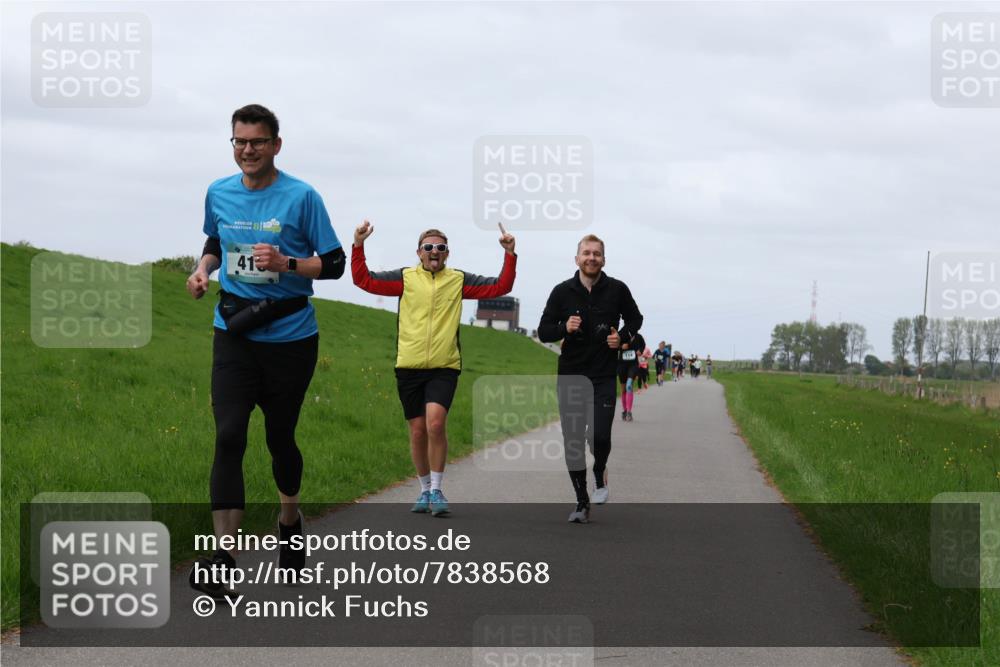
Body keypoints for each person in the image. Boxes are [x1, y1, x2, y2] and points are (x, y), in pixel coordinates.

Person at [185, 104, 346, 597]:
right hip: (233, 332)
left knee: (280, 439)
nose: (247, 150)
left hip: (290, 338)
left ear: (276, 145)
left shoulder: (302, 197)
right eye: (239, 142)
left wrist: (289, 262)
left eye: (256, 142)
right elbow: (215, 239)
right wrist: (203, 270)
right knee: (229, 435)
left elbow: (335, 264)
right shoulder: (219, 191)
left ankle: (290, 521)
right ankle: (225, 558)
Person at [352, 221, 516, 516]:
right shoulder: (404, 278)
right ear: (419, 252)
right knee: (417, 432)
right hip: (409, 365)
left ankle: (438, 489)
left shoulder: (458, 280)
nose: (434, 251)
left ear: (447, 253)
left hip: (444, 365)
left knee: (435, 423)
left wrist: (509, 254)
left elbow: (501, 286)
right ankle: (425, 489)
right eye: (428, 247)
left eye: (440, 247)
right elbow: (364, 281)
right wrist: (358, 245)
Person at [538, 234, 642, 523]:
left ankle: (600, 472)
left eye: (597, 254)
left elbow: (636, 319)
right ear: (577, 259)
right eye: (587, 253)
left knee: (599, 436)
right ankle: (582, 502)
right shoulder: (562, 292)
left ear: (603, 260)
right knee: (572, 441)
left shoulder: (617, 289)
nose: (591, 258)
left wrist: (621, 337)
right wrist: (563, 327)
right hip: (571, 374)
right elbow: (544, 330)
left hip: (603, 374)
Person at [618, 332, 647, 419]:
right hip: (622, 364)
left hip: (633, 365)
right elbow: (614, 346)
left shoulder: (639, 337)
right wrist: (621, 347)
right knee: (623, 390)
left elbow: (643, 345)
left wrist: (640, 351)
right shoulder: (621, 335)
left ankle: (629, 412)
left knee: (629, 385)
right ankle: (625, 410)